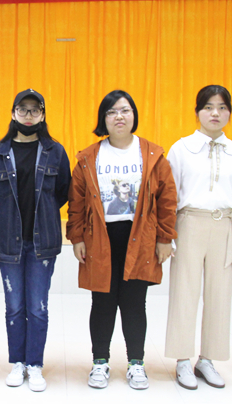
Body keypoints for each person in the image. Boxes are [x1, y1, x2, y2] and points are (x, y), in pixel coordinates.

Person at [66, 90, 177, 390]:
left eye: (125, 110)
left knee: (134, 303)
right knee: (102, 301)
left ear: (134, 116)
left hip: (140, 238)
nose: (119, 116)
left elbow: (167, 199)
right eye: (112, 111)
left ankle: (136, 363)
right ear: (103, 119)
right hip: (100, 238)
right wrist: (76, 237)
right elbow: (76, 202)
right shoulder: (89, 157)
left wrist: (165, 238)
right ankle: (99, 362)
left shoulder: (152, 154)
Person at [0, 89, 71, 392]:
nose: (28, 115)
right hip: (8, 242)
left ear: (42, 115)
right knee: (15, 307)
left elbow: (63, 192)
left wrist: (43, 214)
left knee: (38, 307)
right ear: (13, 113)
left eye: (34, 110)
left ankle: (35, 364)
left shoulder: (55, 151)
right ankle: (18, 362)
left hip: (42, 243)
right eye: (23, 109)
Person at [164, 85, 232, 390]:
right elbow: (170, 196)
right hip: (189, 223)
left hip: (224, 225)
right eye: (208, 107)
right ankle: (182, 360)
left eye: (222, 107)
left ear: (229, 112)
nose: (215, 113)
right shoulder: (181, 148)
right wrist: (168, 235)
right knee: (184, 292)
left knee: (220, 295)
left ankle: (208, 359)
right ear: (197, 112)